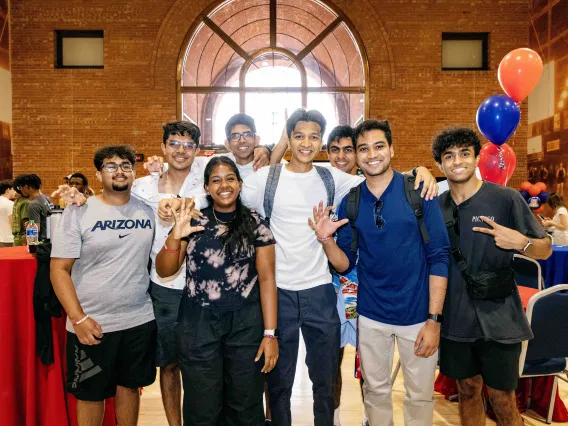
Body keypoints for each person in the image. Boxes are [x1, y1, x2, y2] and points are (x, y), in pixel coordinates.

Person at [159, 110, 438, 426]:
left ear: (321, 140)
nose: (306, 143)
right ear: (288, 139)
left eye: (314, 136)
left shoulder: (331, 177)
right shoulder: (267, 179)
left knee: (325, 377)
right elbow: (222, 192)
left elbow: (379, 176)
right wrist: (174, 203)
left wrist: (420, 171)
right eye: (299, 136)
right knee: (278, 382)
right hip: (278, 292)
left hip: (319, 290)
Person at [309, 119, 450, 426]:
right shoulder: (352, 201)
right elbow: (344, 264)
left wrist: (434, 320)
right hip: (371, 315)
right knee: (375, 392)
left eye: (378, 146)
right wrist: (325, 239)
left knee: (419, 396)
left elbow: (439, 257)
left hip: (418, 317)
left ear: (391, 149)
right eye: (364, 149)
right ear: (357, 157)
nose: (371, 154)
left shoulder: (419, 193)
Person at [431, 127, 552, 426]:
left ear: (476, 159)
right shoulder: (436, 207)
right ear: (440, 164)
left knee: (501, 397)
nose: (457, 161)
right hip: (456, 316)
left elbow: (546, 249)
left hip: (499, 315)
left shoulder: (505, 199)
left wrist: (520, 243)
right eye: (449, 156)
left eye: (464, 154)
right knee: (467, 390)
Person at [155, 156, 278, 426]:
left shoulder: (256, 225)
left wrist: (270, 334)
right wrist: (176, 234)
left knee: (245, 405)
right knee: (203, 407)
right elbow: (165, 270)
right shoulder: (193, 221)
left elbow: (267, 279)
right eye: (216, 180)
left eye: (230, 178)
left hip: (245, 325)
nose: (224, 185)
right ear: (207, 188)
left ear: (240, 183)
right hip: (198, 325)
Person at [50, 145, 157, 426]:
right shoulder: (79, 212)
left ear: (134, 173)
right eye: (111, 166)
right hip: (92, 322)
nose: (119, 170)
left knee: (130, 388)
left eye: (126, 165)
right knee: (90, 395)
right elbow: (59, 270)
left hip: (138, 320)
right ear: (98, 174)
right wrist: (78, 317)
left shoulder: (148, 210)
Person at [325, 125, 365, 426]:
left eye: (348, 149)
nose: (341, 156)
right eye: (335, 149)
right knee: (331, 362)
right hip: (333, 288)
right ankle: (335, 419)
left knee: (369, 363)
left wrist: (422, 170)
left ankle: (370, 419)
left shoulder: (371, 184)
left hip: (366, 288)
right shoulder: (320, 184)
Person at [0, 179, 15, 247]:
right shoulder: (10, 204)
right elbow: (12, 223)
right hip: (9, 240)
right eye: (13, 189)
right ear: (8, 189)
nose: (15, 192)